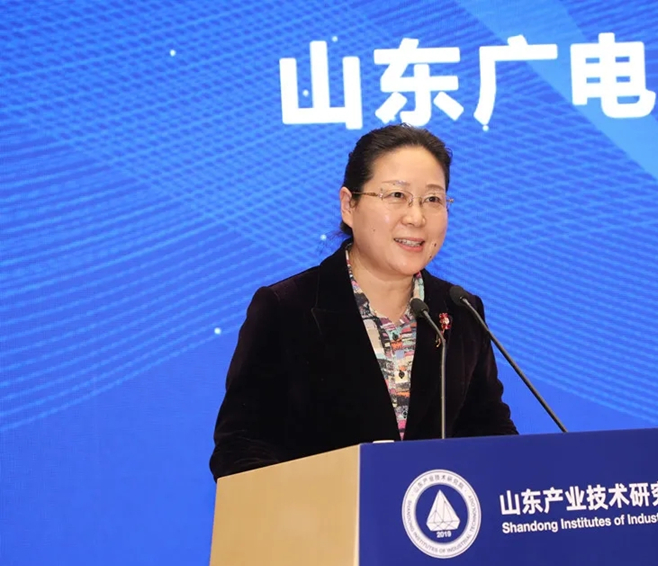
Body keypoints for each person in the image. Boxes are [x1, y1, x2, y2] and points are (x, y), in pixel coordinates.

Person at [209, 122, 517, 481]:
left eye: (433, 199)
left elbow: (491, 436)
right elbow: (242, 447)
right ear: (348, 205)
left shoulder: (460, 311)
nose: (416, 217)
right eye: (397, 195)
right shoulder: (286, 309)